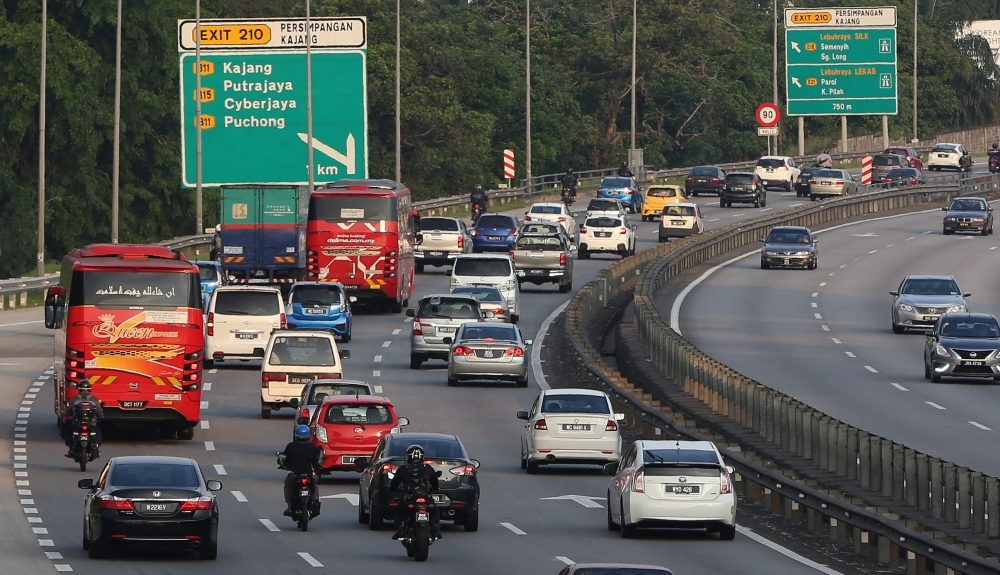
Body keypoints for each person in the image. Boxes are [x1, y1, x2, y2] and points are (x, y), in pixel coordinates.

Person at [390, 444, 442, 541]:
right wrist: (435, 489)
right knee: (434, 509)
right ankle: (435, 525)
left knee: (397, 511)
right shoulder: (428, 468)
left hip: (409, 497)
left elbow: (394, 484)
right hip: (426, 497)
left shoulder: (403, 469)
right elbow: (435, 483)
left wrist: (393, 489)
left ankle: (401, 527)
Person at [280, 425, 323, 517]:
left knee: (288, 485)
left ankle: (289, 507)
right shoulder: (312, 447)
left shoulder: (290, 446)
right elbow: (317, 459)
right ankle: (315, 501)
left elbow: (285, 459)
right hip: (309, 475)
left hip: (295, 475)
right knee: (314, 485)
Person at [64, 379, 103, 458]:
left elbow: (68, 412)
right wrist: (100, 417)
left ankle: (71, 449)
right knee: (97, 433)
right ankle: (95, 446)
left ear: (79, 389)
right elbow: (99, 412)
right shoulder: (94, 399)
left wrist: (67, 414)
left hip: (77, 423)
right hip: (91, 423)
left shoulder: (74, 399)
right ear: (89, 389)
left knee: (67, 432)